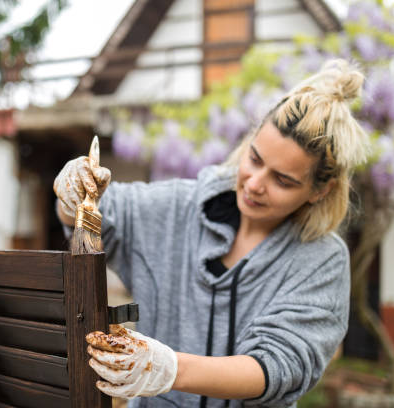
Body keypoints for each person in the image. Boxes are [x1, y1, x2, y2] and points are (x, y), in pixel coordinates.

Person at [53, 59, 370, 408]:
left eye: (283, 180)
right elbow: (95, 215)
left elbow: (279, 366)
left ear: (319, 191)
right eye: (255, 158)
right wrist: (72, 194)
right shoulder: (178, 206)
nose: (255, 183)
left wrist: (170, 369)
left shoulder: (320, 259)